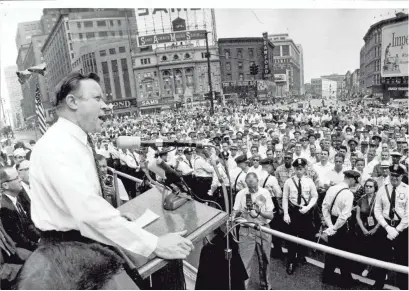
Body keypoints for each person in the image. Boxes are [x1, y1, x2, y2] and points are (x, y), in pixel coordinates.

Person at [22, 72, 193, 289]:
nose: (106, 106)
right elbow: (87, 210)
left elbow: (80, 203)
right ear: (72, 102)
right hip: (71, 256)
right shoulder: (57, 146)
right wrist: (155, 244)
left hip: (81, 245)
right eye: (97, 98)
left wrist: (115, 216)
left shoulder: (75, 142)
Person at [231, 172, 274, 290]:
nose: (252, 189)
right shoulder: (241, 194)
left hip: (263, 229)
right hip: (246, 230)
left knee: (265, 260)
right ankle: (243, 288)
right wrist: (239, 213)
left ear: (258, 181)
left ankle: (266, 286)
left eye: (254, 185)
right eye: (249, 186)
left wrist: (259, 212)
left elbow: (271, 216)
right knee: (244, 262)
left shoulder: (265, 193)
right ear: (246, 183)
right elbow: (235, 212)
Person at [322, 170, 360, 287]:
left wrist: (330, 225)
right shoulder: (348, 194)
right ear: (352, 179)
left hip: (332, 221)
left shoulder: (332, 189)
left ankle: (327, 276)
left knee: (331, 250)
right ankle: (345, 280)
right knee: (345, 252)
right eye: (355, 181)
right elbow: (344, 216)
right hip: (342, 226)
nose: (355, 183)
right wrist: (335, 228)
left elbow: (325, 207)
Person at [374, 164, 408, 290]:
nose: (394, 178)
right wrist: (387, 227)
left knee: (402, 258)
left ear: (402, 176)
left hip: (402, 229)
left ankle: (404, 286)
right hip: (385, 227)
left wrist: (397, 230)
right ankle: (378, 283)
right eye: (392, 175)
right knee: (381, 256)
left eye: (397, 176)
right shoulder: (383, 189)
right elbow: (377, 210)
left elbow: (408, 215)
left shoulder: (407, 190)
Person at [282, 158, 318, 275]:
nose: (299, 171)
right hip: (293, 211)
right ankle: (291, 261)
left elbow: (314, 196)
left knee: (304, 236)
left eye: (301, 169)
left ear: (305, 169)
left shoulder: (309, 181)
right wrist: (286, 213)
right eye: (297, 169)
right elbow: (285, 198)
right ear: (294, 169)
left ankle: (301, 255)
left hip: (305, 211)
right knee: (292, 237)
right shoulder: (289, 181)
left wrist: (307, 208)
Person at [0, 166, 40, 251]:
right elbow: (19, 239)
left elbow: (28, 225)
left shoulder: (16, 198)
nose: (20, 179)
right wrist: (39, 246)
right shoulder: (5, 209)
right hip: (22, 252)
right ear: (5, 185)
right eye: (16, 178)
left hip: (29, 245)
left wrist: (40, 238)